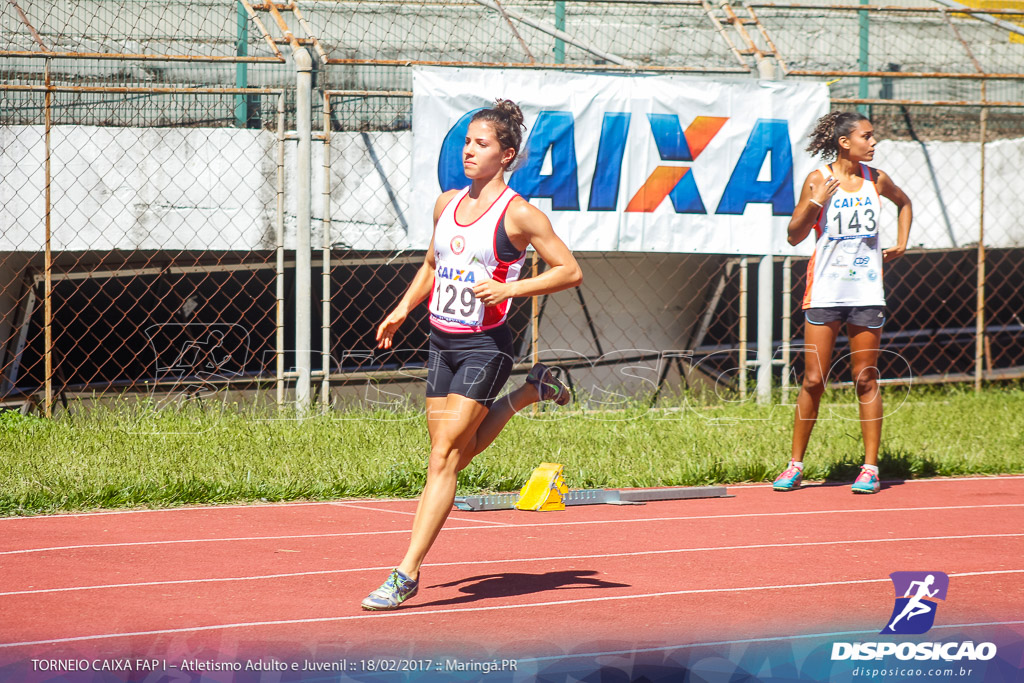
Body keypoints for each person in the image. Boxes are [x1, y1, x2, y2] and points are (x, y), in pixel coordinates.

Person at [361, 99, 583, 610]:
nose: (468, 151)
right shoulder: (446, 204)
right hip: (442, 341)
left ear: (505, 155)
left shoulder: (520, 215)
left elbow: (569, 271)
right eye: (466, 142)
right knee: (450, 453)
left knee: (443, 457)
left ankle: (406, 572)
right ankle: (533, 391)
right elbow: (431, 265)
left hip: (487, 345)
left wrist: (510, 291)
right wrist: (401, 309)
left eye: (480, 144)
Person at [773, 111, 912, 495]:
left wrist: (901, 243)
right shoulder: (819, 180)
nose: (873, 142)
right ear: (844, 142)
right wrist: (815, 203)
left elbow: (905, 203)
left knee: (865, 378)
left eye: (873, 137)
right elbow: (793, 236)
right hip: (825, 292)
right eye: (867, 136)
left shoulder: (876, 180)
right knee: (814, 379)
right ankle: (795, 465)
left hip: (866, 293)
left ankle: (870, 468)